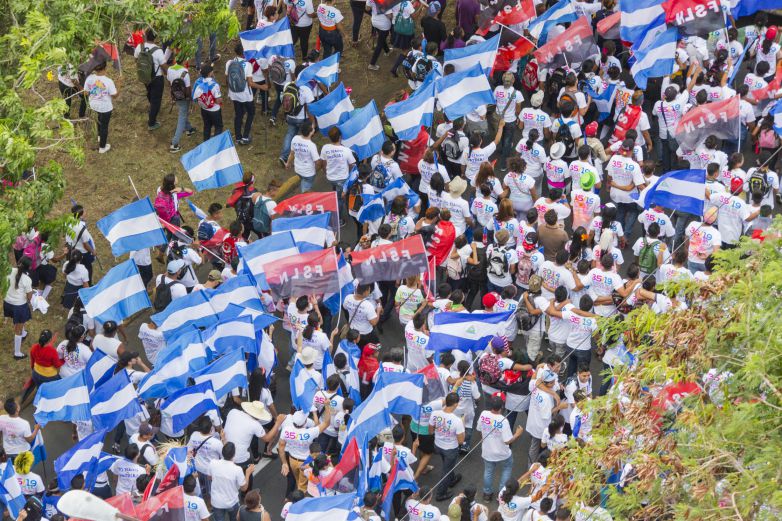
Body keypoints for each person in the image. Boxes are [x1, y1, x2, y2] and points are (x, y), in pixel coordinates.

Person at [478, 394, 524, 502]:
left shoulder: (483, 414)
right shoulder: (503, 420)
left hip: (487, 451)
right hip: (503, 453)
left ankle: (487, 494)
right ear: (502, 406)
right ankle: (502, 494)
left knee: (488, 471)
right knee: (506, 468)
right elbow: (507, 440)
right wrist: (517, 434)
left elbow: (480, 429)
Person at [279, 409, 331, 494]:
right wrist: (327, 406)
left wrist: (284, 463)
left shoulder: (286, 430)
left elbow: (281, 447)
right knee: (303, 486)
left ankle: (299, 492)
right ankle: (300, 499)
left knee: (297, 480)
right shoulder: (310, 432)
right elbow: (326, 423)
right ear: (305, 422)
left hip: (292, 460)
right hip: (306, 462)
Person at [226, 44, 265, 145]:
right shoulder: (247, 65)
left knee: (238, 114)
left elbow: (227, 78)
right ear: (243, 53)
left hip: (234, 93)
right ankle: (245, 136)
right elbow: (250, 83)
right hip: (245, 95)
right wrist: (262, 87)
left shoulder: (229, 63)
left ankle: (238, 137)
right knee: (251, 113)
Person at [430, 392, 465, 501]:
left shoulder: (435, 413)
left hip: (438, 445)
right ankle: (440, 494)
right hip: (450, 449)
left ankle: (452, 479)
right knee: (446, 470)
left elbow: (430, 430)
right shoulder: (457, 421)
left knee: (447, 465)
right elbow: (461, 441)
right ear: (455, 404)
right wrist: (462, 424)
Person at [134, 30, 168, 130]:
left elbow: (136, 60)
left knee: (149, 92)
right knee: (156, 100)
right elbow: (164, 66)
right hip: (157, 78)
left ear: (145, 36)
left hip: (145, 76)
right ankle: (151, 123)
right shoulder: (158, 51)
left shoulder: (139, 47)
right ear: (155, 38)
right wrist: (168, 74)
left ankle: (152, 106)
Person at [211, 443, 254, 521]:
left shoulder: (213, 463)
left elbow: (210, 477)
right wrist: (247, 473)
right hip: (231, 502)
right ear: (234, 454)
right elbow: (244, 488)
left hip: (216, 502)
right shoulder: (237, 469)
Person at [83, 60, 118, 153]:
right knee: (104, 126)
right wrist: (120, 84)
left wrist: (94, 92)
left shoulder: (89, 78)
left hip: (93, 105)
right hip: (105, 107)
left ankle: (99, 136)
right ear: (105, 68)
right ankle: (102, 147)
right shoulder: (108, 81)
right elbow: (114, 95)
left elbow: (85, 92)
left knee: (98, 120)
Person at [4, 257, 34, 360]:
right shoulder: (27, 279)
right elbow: (29, 296)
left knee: (18, 321)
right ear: (28, 268)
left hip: (8, 302)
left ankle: (24, 333)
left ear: (19, 262)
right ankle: (17, 353)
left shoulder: (10, 271)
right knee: (18, 329)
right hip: (19, 305)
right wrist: (30, 301)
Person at [166, 56, 196, 153]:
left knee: (183, 113)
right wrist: (190, 99)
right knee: (182, 117)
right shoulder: (185, 72)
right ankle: (174, 143)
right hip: (184, 97)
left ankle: (189, 129)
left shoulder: (169, 69)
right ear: (184, 61)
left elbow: (169, 83)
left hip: (175, 95)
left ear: (175, 60)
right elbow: (188, 89)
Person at [286, 120, 320, 192]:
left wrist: (288, 163)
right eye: (313, 128)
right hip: (308, 173)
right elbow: (317, 162)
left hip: (298, 169)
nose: (314, 129)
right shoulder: (311, 146)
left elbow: (292, 154)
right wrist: (316, 169)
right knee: (305, 192)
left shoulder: (295, 138)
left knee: (304, 183)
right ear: (311, 132)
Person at [192, 64, 224, 142]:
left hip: (204, 108)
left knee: (207, 126)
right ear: (210, 73)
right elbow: (217, 100)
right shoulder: (214, 84)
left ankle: (206, 142)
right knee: (218, 126)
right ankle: (215, 144)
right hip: (214, 110)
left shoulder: (199, 82)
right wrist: (221, 99)